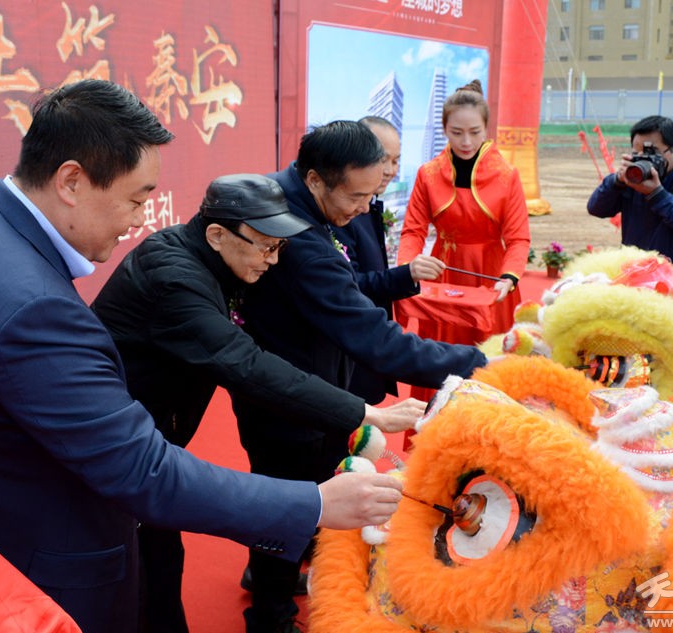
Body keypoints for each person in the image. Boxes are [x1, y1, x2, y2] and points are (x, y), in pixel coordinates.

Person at [0, 80, 404, 633]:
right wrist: (313, 504)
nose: (140, 219)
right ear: (71, 181)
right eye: (136, 199)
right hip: (31, 564)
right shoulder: (38, 311)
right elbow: (145, 469)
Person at [91, 173, 425, 633]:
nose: (273, 259)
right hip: (116, 451)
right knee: (146, 576)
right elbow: (246, 364)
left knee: (161, 562)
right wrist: (365, 412)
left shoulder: (215, 259)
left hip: (153, 438)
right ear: (217, 234)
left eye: (279, 247)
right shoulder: (175, 280)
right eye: (266, 247)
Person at [233, 120, 489, 633]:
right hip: (289, 397)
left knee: (295, 498)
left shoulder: (298, 198)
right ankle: (270, 615)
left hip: (306, 379)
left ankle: (272, 581)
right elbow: (374, 336)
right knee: (291, 500)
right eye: (356, 197)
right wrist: (478, 362)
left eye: (373, 195)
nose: (362, 208)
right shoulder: (299, 238)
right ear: (315, 179)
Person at [396, 79, 530, 401]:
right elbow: (413, 230)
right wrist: (406, 269)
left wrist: (509, 276)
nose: (466, 141)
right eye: (456, 133)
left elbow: (517, 238)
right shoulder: (429, 174)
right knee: (442, 356)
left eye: (474, 132)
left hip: (493, 278)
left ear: (486, 129)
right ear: (444, 129)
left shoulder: (506, 175)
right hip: (444, 272)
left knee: (490, 358)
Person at [336, 115, 446, 404]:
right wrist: (406, 274)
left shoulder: (368, 205)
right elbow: (350, 284)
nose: (389, 170)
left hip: (369, 340)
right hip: (350, 347)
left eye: (395, 161)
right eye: (382, 159)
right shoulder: (342, 211)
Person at [587, 115, 673, 269]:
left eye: (652, 152)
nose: (645, 159)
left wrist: (657, 194)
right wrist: (616, 181)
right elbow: (596, 208)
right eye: (638, 153)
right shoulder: (634, 175)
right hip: (634, 271)